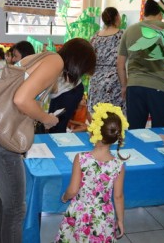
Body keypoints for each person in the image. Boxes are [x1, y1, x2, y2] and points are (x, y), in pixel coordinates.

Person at [0, 38, 96, 243]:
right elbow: (21, 99)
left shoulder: (41, 57)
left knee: (4, 203)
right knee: (15, 208)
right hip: (1, 137)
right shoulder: (55, 62)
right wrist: (46, 118)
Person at [55, 102, 129, 242]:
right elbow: (118, 197)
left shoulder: (81, 158)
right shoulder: (118, 165)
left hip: (80, 213)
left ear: (93, 131)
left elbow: (73, 189)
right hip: (103, 217)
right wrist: (120, 220)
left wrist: (65, 197)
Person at [117, 0, 164, 129]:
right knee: (161, 131)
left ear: (144, 12)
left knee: (135, 131)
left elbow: (120, 64)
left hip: (134, 86)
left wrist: (124, 86)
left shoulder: (129, 30)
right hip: (159, 87)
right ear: (161, 12)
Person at [88, 7, 126, 114]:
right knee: (115, 116)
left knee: (98, 116)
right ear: (117, 17)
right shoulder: (121, 35)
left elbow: (90, 59)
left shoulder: (95, 36)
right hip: (115, 79)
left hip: (96, 79)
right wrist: (124, 85)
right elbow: (122, 63)